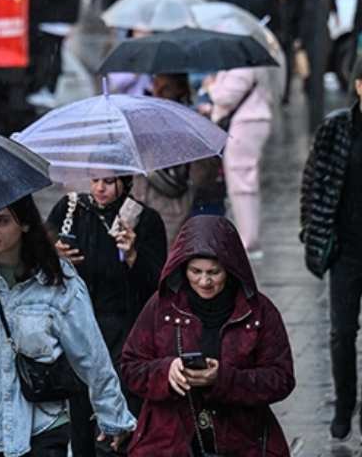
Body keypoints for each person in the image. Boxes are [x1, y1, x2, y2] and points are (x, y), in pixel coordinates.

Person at [0, 195, 136, 457]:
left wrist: (113, 414)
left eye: (1, 221)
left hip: (43, 426)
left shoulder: (58, 280)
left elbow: (91, 355)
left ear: (24, 224)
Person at [120, 216, 295, 455]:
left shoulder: (260, 311)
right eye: (196, 271)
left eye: (214, 272)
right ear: (183, 268)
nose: (204, 281)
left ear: (230, 269)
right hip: (170, 441)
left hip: (241, 440)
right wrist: (166, 371)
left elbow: (281, 378)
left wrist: (223, 379)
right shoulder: (160, 307)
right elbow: (130, 367)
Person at [47, 176, 167, 457]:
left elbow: (157, 284)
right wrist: (55, 256)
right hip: (78, 330)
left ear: (124, 182)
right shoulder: (69, 210)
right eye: (95, 180)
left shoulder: (144, 219)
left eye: (109, 181)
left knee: (119, 423)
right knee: (80, 418)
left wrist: (133, 254)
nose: (100, 188)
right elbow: (39, 263)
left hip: (123, 333)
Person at [301, 60, 362, 438]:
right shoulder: (337, 128)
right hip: (346, 249)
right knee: (341, 333)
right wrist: (311, 227)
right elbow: (312, 179)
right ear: (358, 85)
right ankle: (344, 403)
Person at [203, 66, 273, 258]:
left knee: (242, 183)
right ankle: (246, 238)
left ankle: (248, 241)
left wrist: (211, 86)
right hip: (246, 122)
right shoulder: (242, 63)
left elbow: (225, 96)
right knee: (240, 182)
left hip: (246, 124)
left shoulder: (243, 65)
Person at [133, 74, 200, 243]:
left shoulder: (180, 121)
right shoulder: (191, 118)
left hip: (167, 200)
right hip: (159, 199)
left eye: (162, 87)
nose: (156, 90)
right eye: (155, 84)